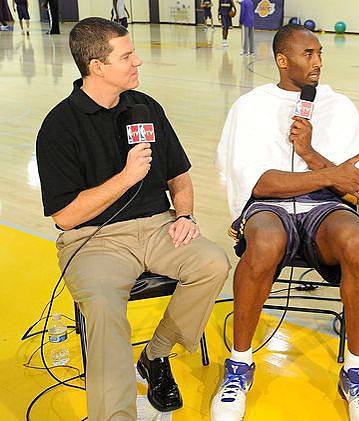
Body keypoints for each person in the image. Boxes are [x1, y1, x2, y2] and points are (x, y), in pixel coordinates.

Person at [36, 17, 230, 420]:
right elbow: (66, 216)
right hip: (93, 241)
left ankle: (156, 355)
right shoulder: (59, 127)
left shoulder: (146, 107)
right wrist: (125, 179)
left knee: (212, 263)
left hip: (159, 226)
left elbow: (179, 174)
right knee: (105, 307)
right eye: (127, 56)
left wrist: (186, 214)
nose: (138, 61)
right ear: (97, 66)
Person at [213, 23, 359, 421]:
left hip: (324, 209)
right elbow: (261, 182)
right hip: (269, 207)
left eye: (321, 53)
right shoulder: (250, 106)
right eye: (309, 54)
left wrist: (309, 153)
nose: (318, 63)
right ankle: (239, 365)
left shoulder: (339, 106)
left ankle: (356, 373)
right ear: (282, 60)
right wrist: (327, 172)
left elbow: (354, 186)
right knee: (266, 241)